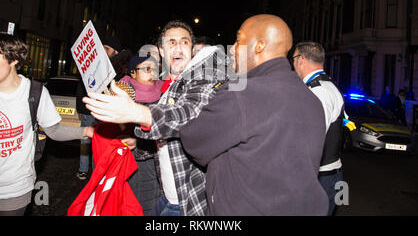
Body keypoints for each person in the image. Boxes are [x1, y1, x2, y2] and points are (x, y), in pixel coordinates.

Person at [179, 14, 329, 215]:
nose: (232, 48)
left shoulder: (243, 94)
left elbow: (193, 140)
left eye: (239, 40)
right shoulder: (312, 100)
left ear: (259, 46)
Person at [83, 20, 229, 216]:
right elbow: (169, 141)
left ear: (192, 49)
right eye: (171, 42)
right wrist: (139, 142)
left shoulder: (205, 76)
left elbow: (188, 115)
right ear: (161, 51)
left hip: (187, 202)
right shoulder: (171, 85)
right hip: (167, 196)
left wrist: (138, 113)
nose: (178, 47)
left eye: (184, 42)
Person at [0, 33, 94, 216]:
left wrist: (89, 131)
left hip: (13, 193)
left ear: (13, 60)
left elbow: (54, 130)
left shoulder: (34, 92)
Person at [291, 41, 345, 216]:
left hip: (320, 179)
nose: (292, 64)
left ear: (301, 59)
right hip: (326, 178)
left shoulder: (318, 91)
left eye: (293, 59)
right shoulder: (325, 86)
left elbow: (309, 142)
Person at [119, 54, 164, 215]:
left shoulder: (165, 93)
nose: (152, 74)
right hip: (128, 164)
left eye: (155, 69)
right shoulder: (122, 94)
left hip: (156, 164)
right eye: (146, 69)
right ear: (132, 73)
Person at [75, 36, 121, 180]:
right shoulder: (92, 66)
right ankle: (83, 169)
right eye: (103, 47)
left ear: (116, 52)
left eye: (107, 48)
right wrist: (80, 109)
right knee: (85, 141)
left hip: (105, 113)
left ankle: (98, 172)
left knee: (100, 143)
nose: (103, 50)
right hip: (89, 111)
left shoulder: (118, 70)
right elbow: (81, 88)